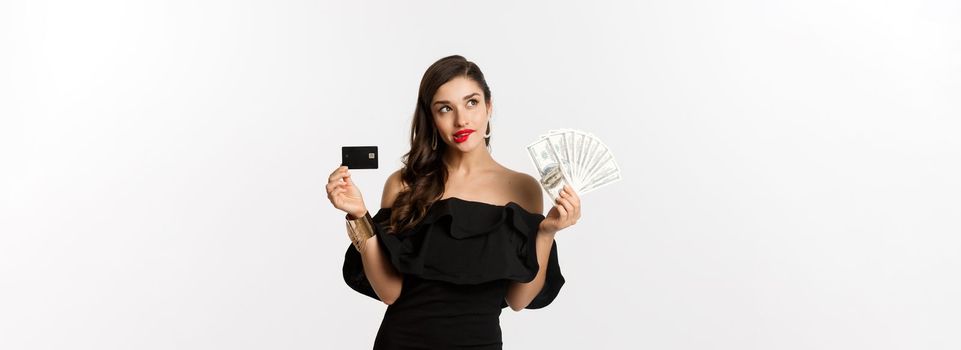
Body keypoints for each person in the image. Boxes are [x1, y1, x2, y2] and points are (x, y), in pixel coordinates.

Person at [326, 55, 581, 349]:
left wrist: (547, 232)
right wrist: (359, 216)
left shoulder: (523, 188)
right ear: (431, 118)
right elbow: (390, 292)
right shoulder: (404, 183)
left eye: (471, 102)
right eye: (445, 108)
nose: (461, 119)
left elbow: (518, 299)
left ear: (489, 105)